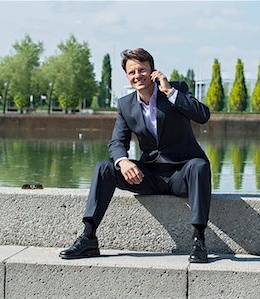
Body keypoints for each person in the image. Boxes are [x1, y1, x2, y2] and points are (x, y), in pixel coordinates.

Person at [59, 48, 211, 263]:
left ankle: (199, 241)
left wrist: (170, 92)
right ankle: (88, 238)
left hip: (182, 173)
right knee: (105, 167)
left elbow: (203, 116)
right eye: (131, 72)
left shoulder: (176, 90)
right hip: (149, 175)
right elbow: (116, 143)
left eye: (142, 70)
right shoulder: (125, 105)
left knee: (199, 166)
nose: (137, 76)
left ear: (153, 71)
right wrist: (123, 162)